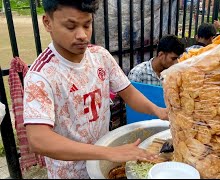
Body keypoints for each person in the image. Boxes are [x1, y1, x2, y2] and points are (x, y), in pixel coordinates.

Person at [23, 0, 168, 179]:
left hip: (101, 162)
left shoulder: (100, 56)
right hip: (69, 173)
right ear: (47, 22)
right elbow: (38, 140)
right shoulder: (41, 75)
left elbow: (129, 93)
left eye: (87, 24)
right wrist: (110, 153)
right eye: (71, 26)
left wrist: (159, 111)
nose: (82, 35)